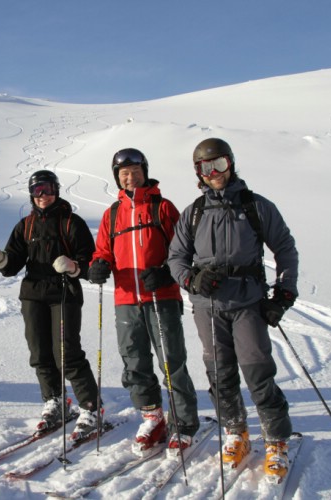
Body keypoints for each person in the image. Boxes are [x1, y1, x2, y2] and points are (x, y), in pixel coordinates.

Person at [167, 137, 299, 480]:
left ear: (231, 164)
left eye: (220, 165)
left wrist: (283, 293)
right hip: (207, 306)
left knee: (257, 372)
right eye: (206, 168)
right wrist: (191, 280)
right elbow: (176, 258)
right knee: (219, 374)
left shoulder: (256, 207)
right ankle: (236, 433)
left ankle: (276, 440)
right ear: (198, 172)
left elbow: (284, 248)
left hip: (247, 303)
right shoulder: (194, 212)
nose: (214, 173)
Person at [88, 148, 199, 457]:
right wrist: (98, 265)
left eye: (135, 171)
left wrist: (166, 273)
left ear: (144, 172)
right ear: (117, 178)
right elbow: (103, 251)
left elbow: (184, 250)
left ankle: (185, 424)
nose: (130, 176)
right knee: (134, 361)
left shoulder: (163, 208)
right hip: (126, 299)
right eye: (124, 173)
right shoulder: (112, 214)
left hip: (160, 296)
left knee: (171, 361)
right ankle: (152, 417)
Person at [0, 170, 101, 441]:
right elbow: (13, 264)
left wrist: (74, 267)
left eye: (47, 189)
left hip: (64, 293)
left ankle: (91, 407)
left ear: (56, 190)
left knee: (67, 353)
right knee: (40, 353)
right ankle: (55, 401)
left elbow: (90, 261)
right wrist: (1, 259)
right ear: (31, 194)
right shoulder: (25, 225)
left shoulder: (72, 222)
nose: (43, 196)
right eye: (37, 191)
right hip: (33, 294)